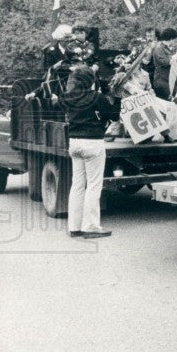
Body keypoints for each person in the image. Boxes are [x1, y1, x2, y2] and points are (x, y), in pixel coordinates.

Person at [61, 64, 120, 238]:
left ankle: (74, 227)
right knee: (94, 186)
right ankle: (91, 227)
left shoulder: (67, 97)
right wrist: (117, 98)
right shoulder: (97, 97)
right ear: (90, 81)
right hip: (93, 143)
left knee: (77, 185)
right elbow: (114, 116)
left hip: (74, 143)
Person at [146, 28, 177, 100]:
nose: (175, 41)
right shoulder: (158, 48)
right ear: (170, 38)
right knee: (172, 100)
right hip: (161, 81)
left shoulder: (166, 48)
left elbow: (173, 60)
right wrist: (176, 55)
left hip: (169, 79)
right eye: (174, 39)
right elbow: (165, 62)